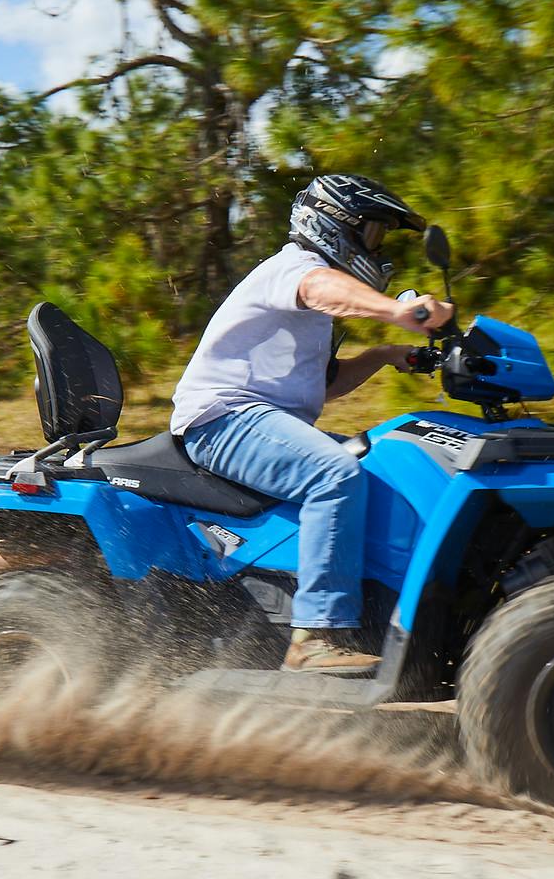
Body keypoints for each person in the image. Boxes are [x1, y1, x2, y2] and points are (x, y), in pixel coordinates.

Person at [170, 174, 454, 674]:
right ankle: (316, 635)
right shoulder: (296, 268)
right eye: (373, 233)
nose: (378, 248)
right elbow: (319, 287)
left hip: (259, 418)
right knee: (334, 475)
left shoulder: (312, 307)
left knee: (379, 465)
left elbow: (323, 386)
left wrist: (386, 355)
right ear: (336, 224)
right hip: (222, 419)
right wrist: (398, 311)